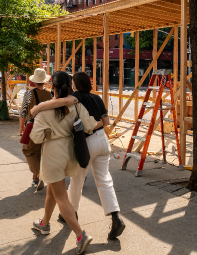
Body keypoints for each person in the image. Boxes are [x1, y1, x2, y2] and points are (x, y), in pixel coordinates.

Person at [31, 72, 125, 240]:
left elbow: (62, 101)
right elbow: (106, 121)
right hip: (103, 140)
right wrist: (99, 125)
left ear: (73, 85)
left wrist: (38, 108)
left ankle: (70, 214)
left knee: (77, 181)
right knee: (104, 179)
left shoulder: (74, 98)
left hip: (86, 143)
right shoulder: (96, 98)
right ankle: (115, 216)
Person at [29, 71, 98, 254]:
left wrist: (49, 132)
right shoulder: (76, 106)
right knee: (53, 189)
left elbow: (35, 137)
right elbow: (90, 125)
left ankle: (80, 234)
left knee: (61, 196)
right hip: (70, 151)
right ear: (70, 85)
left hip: (53, 152)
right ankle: (44, 223)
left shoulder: (44, 109)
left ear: (52, 86)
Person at [19, 68, 53, 191]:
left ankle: (38, 174)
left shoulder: (29, 94)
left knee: (29, 151)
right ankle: (36, 180)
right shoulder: (51, 94)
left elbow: (23, 112)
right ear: (45, 81)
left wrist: (21, 127)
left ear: (34, 81)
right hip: (48, 128)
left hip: (33, 127)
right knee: (41, 152)